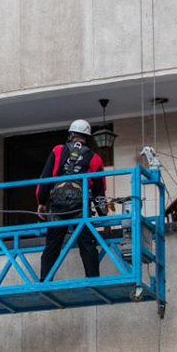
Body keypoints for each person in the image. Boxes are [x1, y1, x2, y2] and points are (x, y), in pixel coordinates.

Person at [36, 120, 108, 281]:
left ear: (71, 134)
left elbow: (45, 178)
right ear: (87, 138)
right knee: (87, 244)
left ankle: (44, 280)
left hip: (57, 206)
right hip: (80, 208)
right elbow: (99, 189)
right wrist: (103, 213)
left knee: (52, 245)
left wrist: (41, 202)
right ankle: (93, 279)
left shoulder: (58, 150)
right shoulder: (95, 158)